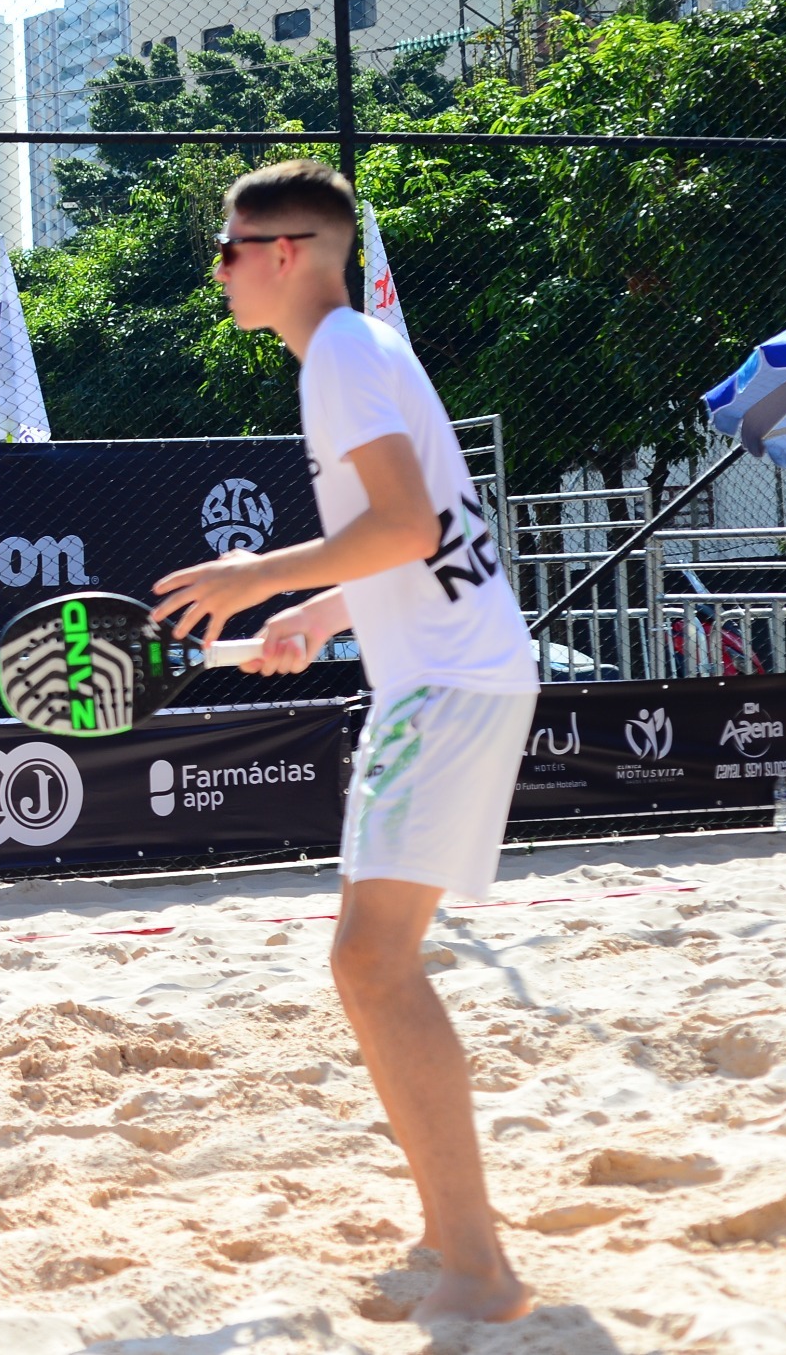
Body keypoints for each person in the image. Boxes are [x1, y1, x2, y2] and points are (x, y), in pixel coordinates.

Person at [150, 161, 538, 1325]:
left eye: (226, 250)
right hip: (457, 670)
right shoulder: (362, 347)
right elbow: (421, 536)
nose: (216, 272)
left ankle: (477, 1264)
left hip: (445, 684)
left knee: (371, 963)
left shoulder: (338, 355)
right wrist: (315, 613)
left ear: (284, 250)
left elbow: (409, 521)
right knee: (376, 960)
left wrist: (250, 574)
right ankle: (450, 1237)